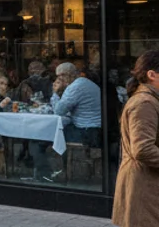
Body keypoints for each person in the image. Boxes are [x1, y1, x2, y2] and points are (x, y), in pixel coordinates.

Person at [112, 50, 159, 227]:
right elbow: (143, 149)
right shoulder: (145, 103)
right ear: (151, 75)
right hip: (144, 188)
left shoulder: (150, 100)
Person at [52, 62, 103, 145]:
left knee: (53, 134)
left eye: (59, 76)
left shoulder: (75, 87)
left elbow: (59, 111)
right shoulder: (85, 82)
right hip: (96, 127)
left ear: (65, 75)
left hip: (87, 130)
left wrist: (56, 93)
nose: (59, 79)